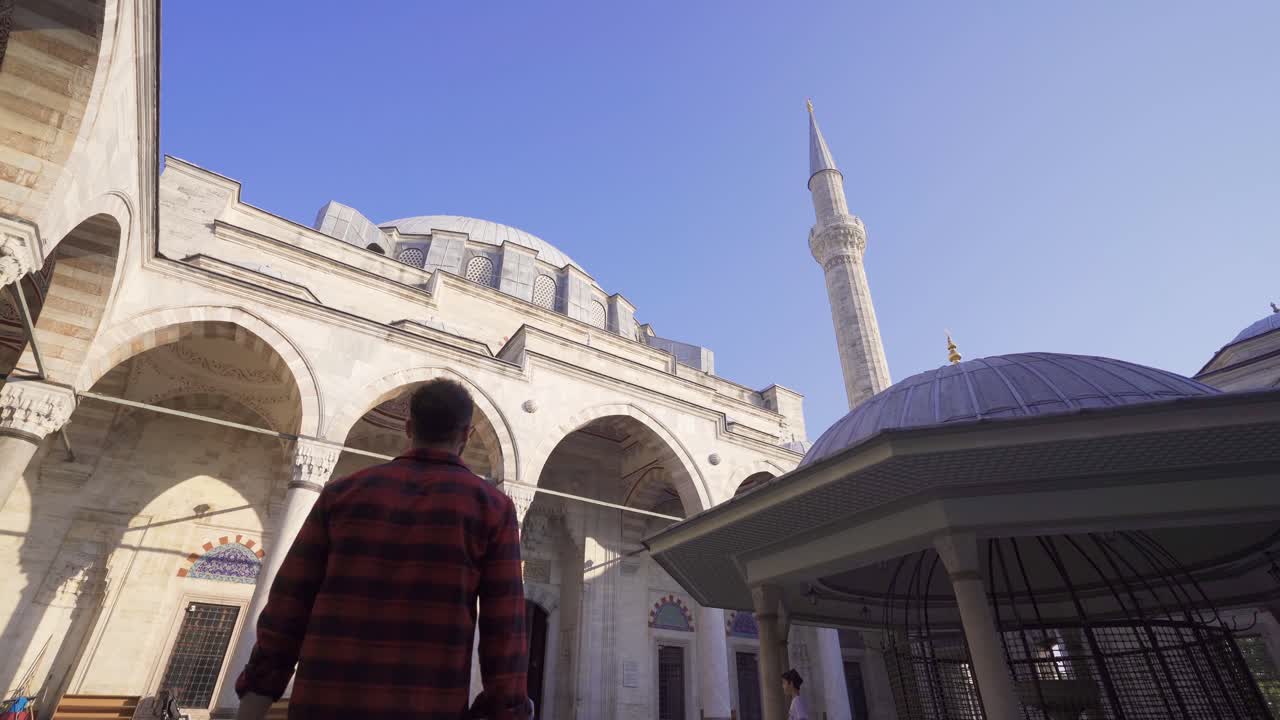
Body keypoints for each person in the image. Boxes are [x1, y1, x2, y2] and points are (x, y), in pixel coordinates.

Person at [234, 378, 530, 720]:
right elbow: (504, 629)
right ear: (466, 434)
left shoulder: (342, 494)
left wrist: (254, 702)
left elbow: (288, 604)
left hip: (325, 701)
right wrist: (507, 709)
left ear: (409, 427)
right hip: (427, 705)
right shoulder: (491, 507)